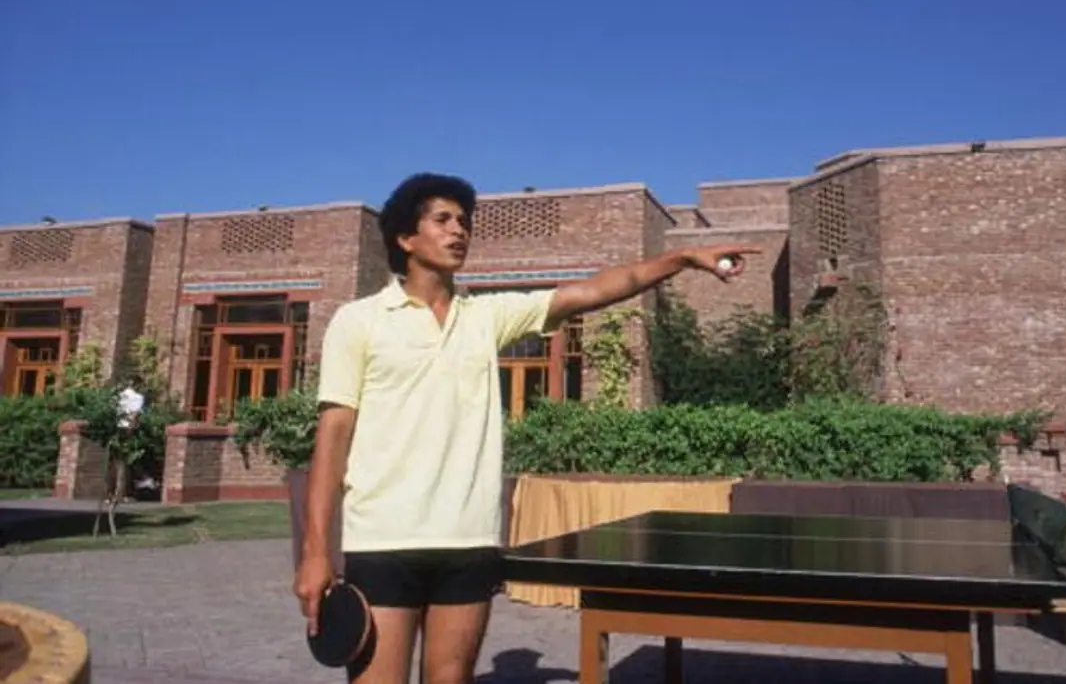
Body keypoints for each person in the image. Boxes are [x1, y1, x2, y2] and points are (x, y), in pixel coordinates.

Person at [293, 172, 759, 684]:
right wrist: (316, 553)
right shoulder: (359, 321)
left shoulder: (487, 316)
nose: (459, 231)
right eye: (443, 220)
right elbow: (332, 440)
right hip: (383, 541)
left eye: (464, 222)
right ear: (406, 238)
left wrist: (683, 259)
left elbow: (592, 291)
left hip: (469, 541)